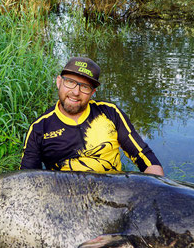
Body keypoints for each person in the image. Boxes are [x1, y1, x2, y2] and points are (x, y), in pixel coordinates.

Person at [20, 56, 164, 176]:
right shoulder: (40, 127)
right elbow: (27, 178)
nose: (76, 92)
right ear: (59, 82)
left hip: (113, 196)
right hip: (65, 200)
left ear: (93, 92)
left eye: (85, 86)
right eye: (70, 82)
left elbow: (143, 156)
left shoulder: (110, 112)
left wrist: (158, 188)